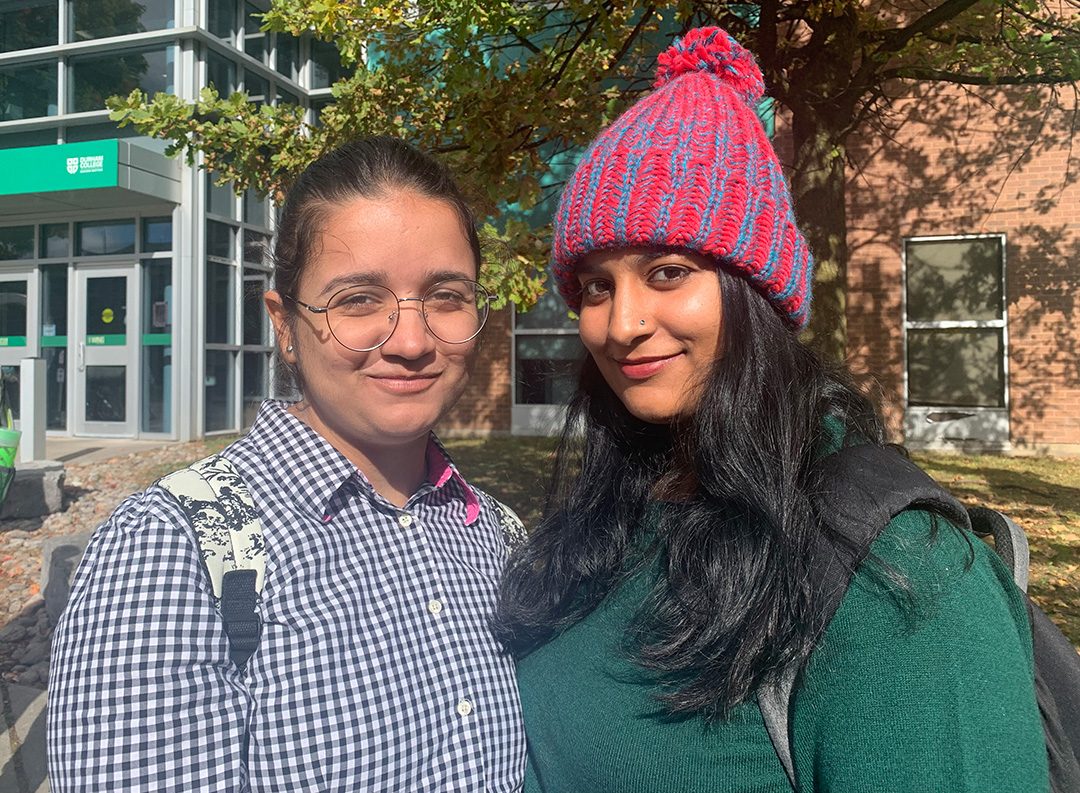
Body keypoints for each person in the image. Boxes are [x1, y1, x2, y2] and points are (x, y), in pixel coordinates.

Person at [494, 27, 1049, 793]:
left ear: (755, 293)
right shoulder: (610, 519)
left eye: (666, 270)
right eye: (596, 285)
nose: (620, 324)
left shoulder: (897, 577)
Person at [48, 136, 526, 792]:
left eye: (446, 295)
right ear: (284, 324)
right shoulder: (173, 547)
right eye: (359, 299)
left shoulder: (497, 534)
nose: (412, 341)